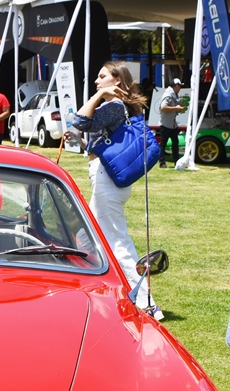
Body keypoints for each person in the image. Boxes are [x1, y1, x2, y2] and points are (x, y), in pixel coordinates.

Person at [69, 61, 161, 319]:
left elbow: (79, 120)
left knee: (117, 242)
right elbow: (99, 141)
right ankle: (97, 291)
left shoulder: (112, 106)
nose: (96, 82)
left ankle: (146, 301)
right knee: (86, 238)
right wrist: (80, 141)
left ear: (117, 80)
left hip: (106, 181)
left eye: (102, 77)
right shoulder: (117, 109)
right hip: (109, 180)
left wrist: (97, 96)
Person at [158, 77, 184, 168]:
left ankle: (177, 162)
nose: (180, 88)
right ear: (176, 86)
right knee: (163, 144)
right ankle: (162, 163)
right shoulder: (168, 95)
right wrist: (176, 108)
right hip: (165, 124)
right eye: (180, 86)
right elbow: (163, 107)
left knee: (175, 143)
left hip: (172, 124)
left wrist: (178, 109)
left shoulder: (174, 95)